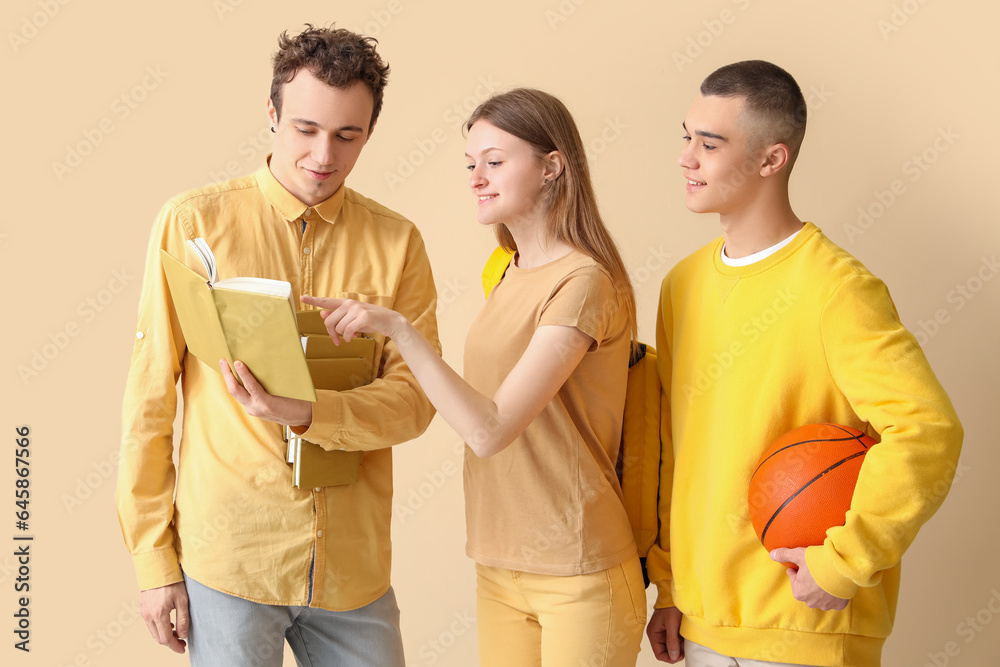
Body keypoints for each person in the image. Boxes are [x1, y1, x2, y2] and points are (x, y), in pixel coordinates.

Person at [116, 25, 439, 666]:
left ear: (370, 131)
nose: (324, 154)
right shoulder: (192, 222)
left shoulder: (399, 243)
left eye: (348, 136)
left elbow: (416, 400)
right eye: (306, 129)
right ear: (271, 114)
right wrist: (153, 560)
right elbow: (150, 395)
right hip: (231, 558)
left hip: (353, 569)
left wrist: (311, 412)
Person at [304, 88, 646, 667]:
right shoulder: (507, 271)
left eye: (495, 161)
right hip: (499, 562)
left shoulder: (584, 282)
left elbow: (489, 430)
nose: (477, 177)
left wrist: (400, 330)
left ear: (551, 167)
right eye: (471, 164)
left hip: (577, 566)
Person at [644, 60, 964, 667]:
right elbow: (676, 448)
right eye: (686, 136)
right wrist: (672, 587)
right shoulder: (680, 285)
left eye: (709, 144)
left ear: (772, 159)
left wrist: (844, 562)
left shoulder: (838, 290)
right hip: (702, 628)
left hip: (807, 627)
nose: (687, 157)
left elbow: (928, 432)